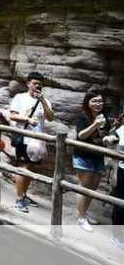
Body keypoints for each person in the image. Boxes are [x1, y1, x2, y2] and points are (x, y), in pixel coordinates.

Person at [9, 72, 54, 213]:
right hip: (24, 137)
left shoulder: (44, 100)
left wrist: (43, 102)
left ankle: (24, 194)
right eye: (35, 83)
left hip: (38, 140)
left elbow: (51, 118)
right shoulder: (20, 98)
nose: (37, 86)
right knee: (23, 167)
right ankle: (18, 199)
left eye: (40, 84)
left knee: (31, 168)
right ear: (28, 83)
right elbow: (12, 115)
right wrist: (27, 120)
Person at [73, 91, 111, 232]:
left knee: (93, 187)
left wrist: (108, 138)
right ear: (87, 102)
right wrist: (95, 124)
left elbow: (103, 136)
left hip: (98, 156)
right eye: (94, 101)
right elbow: (81, 135)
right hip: (84, 155)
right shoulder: (82, 116)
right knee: (85, 186)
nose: (98, 104)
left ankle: (82, 213)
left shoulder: (104, 117)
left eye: (100, 101)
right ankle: (82, 218)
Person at [104, 113, 124, 248]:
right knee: (120, 203)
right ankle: (117, 236)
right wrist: (108, 138)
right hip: (123, 170)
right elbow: (112, 138)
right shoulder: (121, 130)